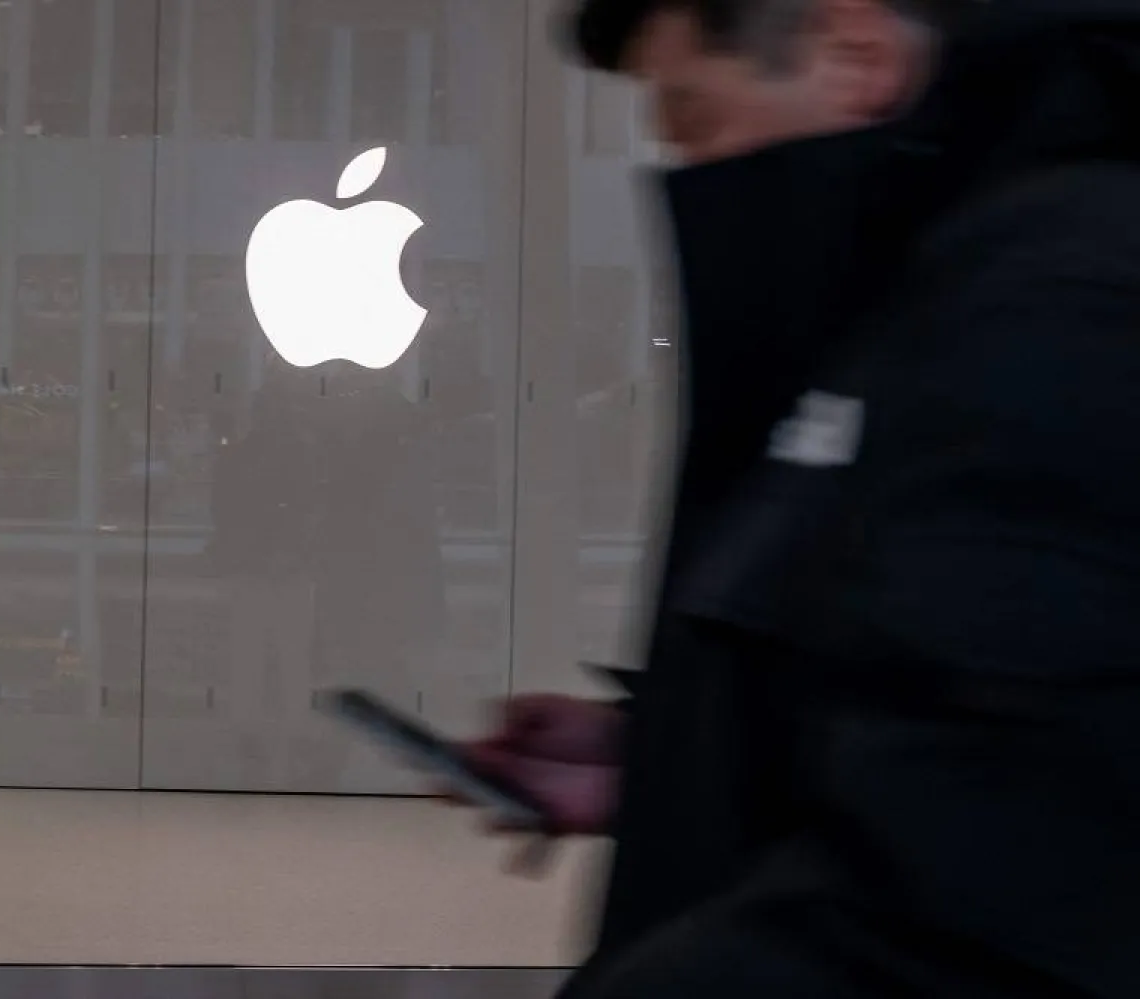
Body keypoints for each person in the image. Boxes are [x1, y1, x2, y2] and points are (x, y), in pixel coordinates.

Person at [461, 1, 1140, 995]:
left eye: (695, 118)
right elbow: (922, 661)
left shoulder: (1063, 299)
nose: (691, 171)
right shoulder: (930, 289)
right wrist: (675, 751)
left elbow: (996, 873)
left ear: (852, 55)